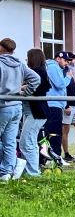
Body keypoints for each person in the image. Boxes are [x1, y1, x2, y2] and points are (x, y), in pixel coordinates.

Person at [0, 38, 40, 182]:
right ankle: (6, 172)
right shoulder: (20, 65)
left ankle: (10, 166)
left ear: (1, 48)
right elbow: (36, 78)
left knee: (5, 141)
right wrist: (25, 93)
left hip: (2, 106)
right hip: (16, 106)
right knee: (10, 141)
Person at [20, 48, 50, 177]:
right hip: (34, 112)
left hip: (36, 112)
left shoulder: (37, 71)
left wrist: (21, 89)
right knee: (28, 141)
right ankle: (30, 170)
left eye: (28, 57)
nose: (26, 59)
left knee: (27, 141)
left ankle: (33, 172)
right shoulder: (41, 71)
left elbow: (37, 88)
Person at [46, 50, 74, 161]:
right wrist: (68, 77)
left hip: (56, 104)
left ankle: (54, 157)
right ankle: (55, 158)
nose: (67, 63)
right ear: (58, 59)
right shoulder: (53, 67)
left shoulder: (55, 67)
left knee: (55, 132)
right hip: (53, 104)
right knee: (55, 133)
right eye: (65, 60)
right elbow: (60, 84)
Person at [61, 53, 75, 163]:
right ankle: (66, 153)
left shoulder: (69, 71)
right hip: (68, 105)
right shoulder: (64, 72)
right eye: (73, 59)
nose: (74, 61)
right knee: (65, 130)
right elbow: (64, 88)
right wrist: (66, 105)